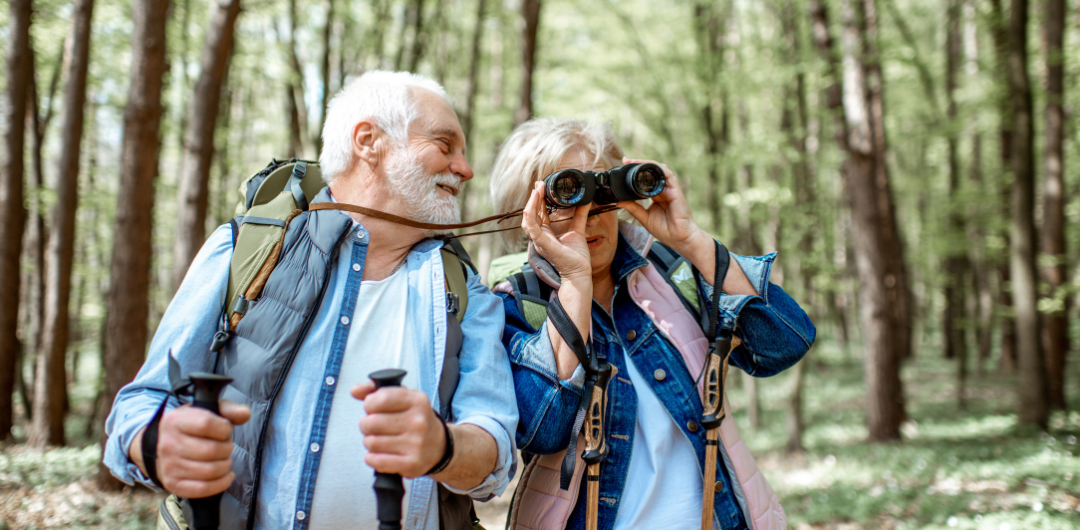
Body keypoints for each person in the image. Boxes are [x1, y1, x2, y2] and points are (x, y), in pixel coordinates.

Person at [103, 71, 518, 530]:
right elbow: (139, 407)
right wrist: (159, 445)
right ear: (369, 141)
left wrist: (442, 447)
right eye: (445, 144)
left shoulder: (466, 292)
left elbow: (493, 454)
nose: (466, 167)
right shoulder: (247, 249)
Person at [487, 118, 815, 530]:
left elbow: (784, 344)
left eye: (599, 192)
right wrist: (574, 284)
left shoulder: (672, 273)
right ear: (526, 215)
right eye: (566, 195)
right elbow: (542, 430)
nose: (587, 217)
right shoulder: (517, 305)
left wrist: (690, 240)